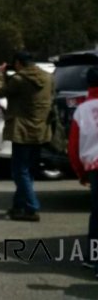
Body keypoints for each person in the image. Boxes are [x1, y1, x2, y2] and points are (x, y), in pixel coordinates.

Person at [0, 50, 53, 222]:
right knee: (29, 171)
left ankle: (31, 208)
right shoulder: (48, 78)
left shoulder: (19, 79)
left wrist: (0, 75)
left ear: (19, 63)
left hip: (21, 131)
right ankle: (18, 206)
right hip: (40, 130)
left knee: (19, 171)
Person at [68, 67, 98, 278]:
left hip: (95, 168)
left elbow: (73, 146)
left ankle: (93, 258)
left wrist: (80, 172)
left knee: (97, 216)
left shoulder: (83, 110)